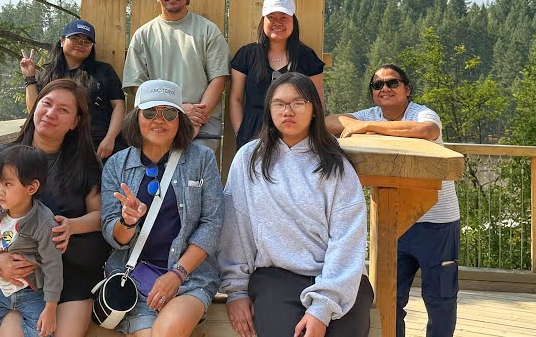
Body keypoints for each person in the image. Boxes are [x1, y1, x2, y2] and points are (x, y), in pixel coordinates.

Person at [220, 73, 374, 337]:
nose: (288, 111)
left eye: (298, 103)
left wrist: (323, 306)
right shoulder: (249, 159)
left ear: (314, 109)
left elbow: (347, 238)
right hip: (276, 277)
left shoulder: (336, 165)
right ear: (269, 110)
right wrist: (236, 290)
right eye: (279, 104)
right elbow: (236, 228)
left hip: (339, 280)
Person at [326, 65, 460, 337]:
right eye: (377, 85)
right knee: (391, 298)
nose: (384, 88)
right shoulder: (371, 114)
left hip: (437, 222)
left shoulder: (422, 112)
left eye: (392, 83)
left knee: (440, 299)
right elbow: (328, 121)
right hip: (392, 221)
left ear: (407, 89)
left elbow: (426, 130)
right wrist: (360, 124)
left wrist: (369, 128)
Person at [0, 79, 107, 337]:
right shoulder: (2, 157)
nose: (51, 114)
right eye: (46, 104)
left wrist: (71, 226)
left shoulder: (86, 163)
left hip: (72, 273)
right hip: (19, 278)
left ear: (75, 122)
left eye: (63, 110)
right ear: (35, 106)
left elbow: (100, 216)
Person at [100, 80, 224, 337]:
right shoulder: (117, 165)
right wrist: (128, 222)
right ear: (136, 117)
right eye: (149, 112)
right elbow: (113, 235)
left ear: (180, 120)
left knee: (167, 332)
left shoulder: (201, 159)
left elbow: (212, 223)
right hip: (132, 279)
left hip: (189, 277)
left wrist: (177, 274)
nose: (159, 120)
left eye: (169, 113)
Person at [122, 0, 231, 155]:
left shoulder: (209, 31)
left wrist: (195, 119)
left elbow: (219, 80)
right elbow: (136, 87)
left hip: (201, 124)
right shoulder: (143, 35)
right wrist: (174, 112)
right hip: (157, 122)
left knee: (195, 181)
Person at [0, 145, 63, 337]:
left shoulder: (43, 222)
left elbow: (53, 267)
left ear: (31, 187)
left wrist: (50, 308)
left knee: (43, 333)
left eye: (7, 185)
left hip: (32, 294)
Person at [227, 0, 326, 149]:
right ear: (263, 21)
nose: (277, 22)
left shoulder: (307, 57)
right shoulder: (247, 55)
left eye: (284, 18)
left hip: (296, 137)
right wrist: (240, 132)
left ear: (293, 22)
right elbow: (236, 99)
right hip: (252, 137)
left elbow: (318, 100)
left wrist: (311, 134)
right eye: (271, 17)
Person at [20, 19, 125, 160]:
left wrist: (110, 138)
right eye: (74, 38)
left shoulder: (103, 71)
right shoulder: (49, 73)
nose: (80, 44)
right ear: (62, 41)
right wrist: (30, 77)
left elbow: (118, 105)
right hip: (59, 147)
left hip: (98, 145)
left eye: (86, 42)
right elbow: (34, 110)